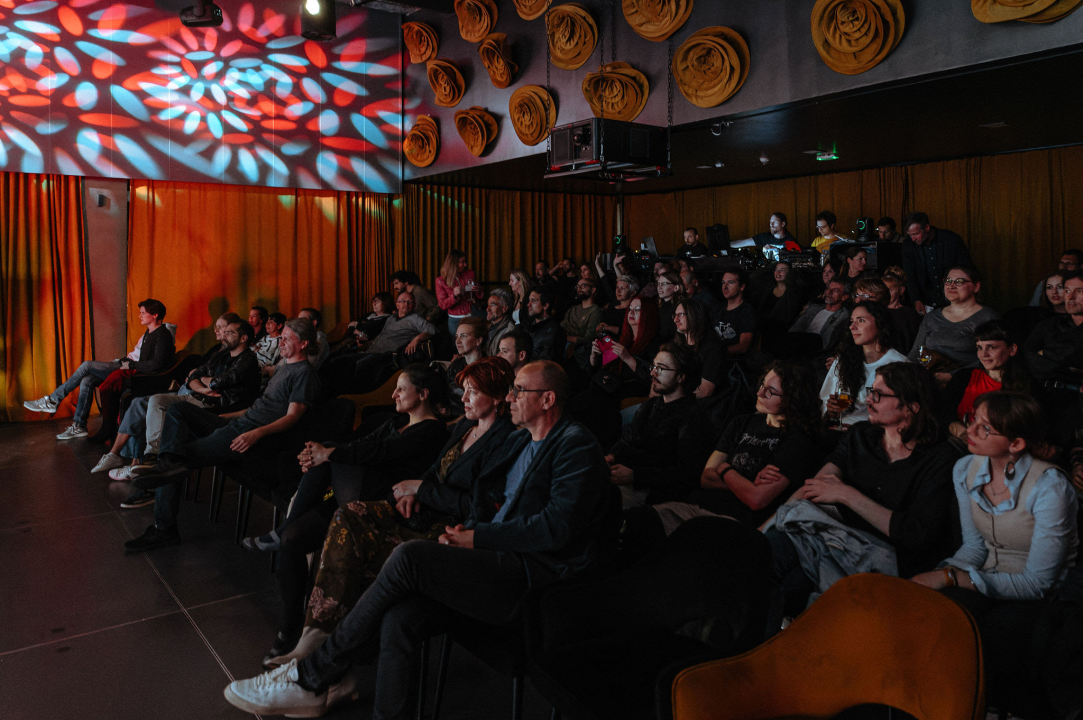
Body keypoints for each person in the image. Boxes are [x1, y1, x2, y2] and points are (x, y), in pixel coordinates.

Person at [223, 361, 610, 720]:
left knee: (409, 557)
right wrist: (462, 529)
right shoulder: (523, 441)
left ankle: (309, 676)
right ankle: (330, 678)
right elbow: (489, 500)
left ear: (548, 399)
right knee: (400, 616)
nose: (511, 396)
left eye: (519, 390)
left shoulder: (575, 444)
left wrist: (476, 536)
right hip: (493, 553)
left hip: (528, 576)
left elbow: (554, 528)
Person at [256, 359, 518, 670]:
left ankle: (321, 647)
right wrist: (415, 491)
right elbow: (434, 470)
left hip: (442, 525)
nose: (463, 399)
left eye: (472, 393)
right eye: (464, 391)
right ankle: (307, 635)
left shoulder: (501, 439)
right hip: (403, 502)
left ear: (498, 398)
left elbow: (477, 506)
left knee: (331, 465)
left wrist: (419, 489)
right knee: (327, 516)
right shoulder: (464, 425)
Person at [244, 364, 450, 665]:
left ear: (423, 394)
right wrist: (320, 456)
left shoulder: (432, 431)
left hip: (385, 506)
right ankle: (290, 630)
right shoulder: (393, 420)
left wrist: (326, 454)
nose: (394, 393)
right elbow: (359, 445)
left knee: (329, 454)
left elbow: (380, 453)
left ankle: (286, 522)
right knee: (293, 538)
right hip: (348, 495)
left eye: (401, 389)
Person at [911, 392, 1078, 716]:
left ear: (1016, 444)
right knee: (937, 614)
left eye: (985, 429)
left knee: (998, 634)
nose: (969, 431)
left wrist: (950, 577)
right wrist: (938, 575)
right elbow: (974, 546)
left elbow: (1038, 582)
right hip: (984, 572)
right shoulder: (965, 469)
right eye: (973, 420)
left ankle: (992, 708)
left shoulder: (1050, 487)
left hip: (1040, 591)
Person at [765, 362, 960, 633]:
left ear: (911, 407)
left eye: (879, 395)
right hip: (833, 537)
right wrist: (764, 528)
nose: (868, 399)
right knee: (767, 550)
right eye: (871, 391)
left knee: (792, 585)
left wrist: (846, 495)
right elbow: (815, 487)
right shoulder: (861, 436)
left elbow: (915, 535)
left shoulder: (939, 459)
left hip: (884, 556)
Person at [122, 318, 321, 552]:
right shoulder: (285, 369)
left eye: (287, 339)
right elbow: (254, 409)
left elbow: (292, 417)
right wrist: (221, 419)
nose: (281, 343)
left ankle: (164, 528)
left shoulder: (304, 374)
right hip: (239, 423)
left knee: (177, 458)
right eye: (283, 337)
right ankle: (166, 464)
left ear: (304, 343)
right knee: (177, 410)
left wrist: (256, 434)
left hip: (249, 433)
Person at [645, 361, 823, 538]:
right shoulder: (741, 422)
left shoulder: (798, 441)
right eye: (762, 384)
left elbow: (756, 500)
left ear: (792, 399)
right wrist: (747, 484)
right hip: (697, 503)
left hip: (732, 520)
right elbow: (706, 477)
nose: (759, 392)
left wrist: (723, 469)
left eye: (770, 391)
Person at [94, 318, 261, 492]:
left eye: (229, 332)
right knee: (151, 401)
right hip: (199, 396)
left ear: (243, 338)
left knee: (152, 407)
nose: (223, 335)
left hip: (214, 407)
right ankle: (146, 458)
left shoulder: (248, 359)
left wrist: (202, 382)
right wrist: (202, 386)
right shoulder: (221, 354)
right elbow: (195, 375)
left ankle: (148, 466)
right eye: (223, 331)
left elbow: (221, 381)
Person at [26, 298, 175, 441]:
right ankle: (79, 426)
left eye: (143, 313)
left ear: (155, 315)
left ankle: (53, 400)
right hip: (130, 368)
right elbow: (140, 357)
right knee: (87, 379)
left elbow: (156, 364)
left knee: (87, 365)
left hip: (138, 376)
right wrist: (126, 361)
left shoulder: (162, 335)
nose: (139, 315)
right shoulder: (148, 333)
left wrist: (131, 365)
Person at [607, 343, 712, 509]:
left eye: (661, 368)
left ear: (681, 377)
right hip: (627, 477)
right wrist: (611, 456)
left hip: (654, 493)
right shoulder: (651, 405)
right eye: (654, 366)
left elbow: (687, 474)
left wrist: (635, 476)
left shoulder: (693, 417)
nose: (652, 373)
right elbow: (627, 441)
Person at [568, 296, 661, 448]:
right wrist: (594, 357)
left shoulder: (655, 345)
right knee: (574, 402)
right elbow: (596, 372)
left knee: (582, 410)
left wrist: (628, 358)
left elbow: (652, 377)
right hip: (605, 388)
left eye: (637, 310)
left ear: (648, 315)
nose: (631, 312)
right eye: (630, 309)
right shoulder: (623, 339)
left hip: (625, 391)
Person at [319, 292, 436, 396]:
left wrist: (417, 339)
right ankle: (329, 396)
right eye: (403, 301)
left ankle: (346, 398)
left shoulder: (415, 318)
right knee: (338, 361)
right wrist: (367, 344)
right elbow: (381, 337)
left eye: (410, 302)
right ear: (397, 304)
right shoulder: (391, 318)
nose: (406, 304)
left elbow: (432, 330)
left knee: (357, 366)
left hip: (384, 356)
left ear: (414, 305)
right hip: (371, 350)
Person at [940, 320, 1032, 440]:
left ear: (1012, 349)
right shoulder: (964, 377)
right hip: (958, 445)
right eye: (979, 347)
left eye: (991, 347)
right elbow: (944, 413)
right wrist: (963, 434)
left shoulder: (1026, 386)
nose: (983, 354)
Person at [821, 302, 908, 425]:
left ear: (880, 324)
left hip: (872, 434)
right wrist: (831, 412)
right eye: (851, 321)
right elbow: (825, 399)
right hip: (838, 430)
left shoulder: (898, 364)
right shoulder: (844, 359)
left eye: (861, 320)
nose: (852, 326)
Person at [907, 266, 999, 372]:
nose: (951, 286)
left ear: (976, 286)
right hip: (928, 376)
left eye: (959, 281)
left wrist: (952, 376)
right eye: (948, 281)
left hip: (967, 378)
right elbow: (915, 353)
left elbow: (992, 358)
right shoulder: (932, 317)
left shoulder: (987, 317)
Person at [900, 211, 974, 315]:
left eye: (916, 234)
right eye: (910, 235)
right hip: (926, 301)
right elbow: (910, 274)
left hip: (952, 298)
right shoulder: (908, 245)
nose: (913, 239)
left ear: (927, 227)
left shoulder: (951, 239)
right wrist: (916, 299)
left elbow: (966, 269)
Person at [787, 278, 851, 355]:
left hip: (817, 353)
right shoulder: (813, 308)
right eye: (828, 288)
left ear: (844, 297)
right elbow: (796, 328)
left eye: (835, 290)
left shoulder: (844, 316)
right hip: (796, 345)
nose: (829, 292)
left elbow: (828, 343)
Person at [674, 298, 723, 399]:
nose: (675, 319)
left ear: (695, 315)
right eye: (675, 315)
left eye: (680, 315)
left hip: (697, 405)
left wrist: (675, 400)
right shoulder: (677, 343)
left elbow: (706, 390)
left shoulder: (712, 347)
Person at [759, 261, 807, 353]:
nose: (778, 273)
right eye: (776, 270)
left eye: (782, 270)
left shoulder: (794, 293)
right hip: (764, 330)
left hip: (783, 332)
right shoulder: (767, 289)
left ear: (790, 273)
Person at [435, 249, 483, 334]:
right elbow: (442, 304)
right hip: (455, 319)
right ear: (453, 264)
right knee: (457, 345)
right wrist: (454, 296)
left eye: (465, 261)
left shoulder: (469, 273)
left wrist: (477, 289)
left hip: (472, 315)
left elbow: (480, 293)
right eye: (462, 262)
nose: (465, 265)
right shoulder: (441, 280)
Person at [561, 277, 605, 370]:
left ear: (593, 290)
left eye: (583, 286)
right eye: (577, 286)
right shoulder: (573, 309)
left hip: (579, 355)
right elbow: (562, 327)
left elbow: (589, 338)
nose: (579, 288)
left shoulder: (595, 311)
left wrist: (565, 337)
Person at [447, 317, 487, 416]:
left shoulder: (487, 368)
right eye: (457, 336)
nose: (457, 341)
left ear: (478, 341)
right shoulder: (456, 365)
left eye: (463, 336)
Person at [714, 269, 756, 359]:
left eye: (731, 282)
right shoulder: (718, 309)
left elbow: (743, 346)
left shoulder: (747, 311)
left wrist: (716, 353)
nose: (725, 286)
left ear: (742, 286)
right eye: (723, 282)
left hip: (736, 362)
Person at [881, 266, 922, 351]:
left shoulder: (911, 314)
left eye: (890, 290)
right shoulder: (878, 312)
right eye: (883, 290)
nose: (885, 294)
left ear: (901, 290)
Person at [525, 286, 566, 362]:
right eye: (529, 300)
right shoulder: (527, 326)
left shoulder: (555, 332)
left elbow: (545, 363)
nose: (528, 304)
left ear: (545, 305)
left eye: (533, 301)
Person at [484, 288, 516, 357]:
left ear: (504, 309)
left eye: (492, 305)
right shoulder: (489, 328)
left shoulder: (509, 330)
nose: (487, 309)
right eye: (488, 305)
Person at [655, 270, 684, 342]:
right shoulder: (659, 304)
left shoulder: (681, 307)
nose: (659, 287)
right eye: (658, 284)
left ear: (676, 288)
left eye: (664, 283)